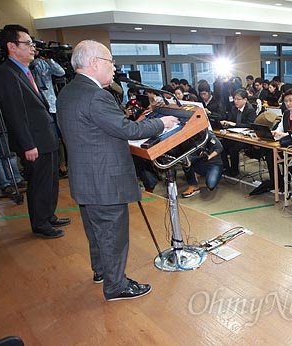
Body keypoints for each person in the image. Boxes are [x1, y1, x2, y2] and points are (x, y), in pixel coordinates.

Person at [56, 40, 179, 301]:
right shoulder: (96, 95)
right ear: (94, 63)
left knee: (96, 230)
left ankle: (102, 271)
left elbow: (102, 128)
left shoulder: (68, 92)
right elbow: (128, 130)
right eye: (110, 62)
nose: (114, 68)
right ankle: (116, 286)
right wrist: (161, 123)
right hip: (105, 180)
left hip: (86, 177)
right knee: (113, 233)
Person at [0, 24, 68, 239]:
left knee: (51, 179)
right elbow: (14, 113)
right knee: (39, 183)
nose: (33, 47)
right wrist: (27, 144)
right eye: (27, 43)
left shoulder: (25, 70)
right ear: (12, 46)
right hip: (34, 141)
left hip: (46, 137)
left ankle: (49, 215)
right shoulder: (6, 73)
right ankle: (40, 223)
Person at [31, 47, 68, 177]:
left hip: (52, 104)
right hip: (36, 107)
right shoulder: (28, 66)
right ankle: (50, 167)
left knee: (59, 137)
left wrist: (48, 59)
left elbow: (60, 72)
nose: (33, 51)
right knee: (46, 138)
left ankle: (62, 164)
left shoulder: (44, 63)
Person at [219, 89, 257, 177]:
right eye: (234, 99)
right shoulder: (234, 109)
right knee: (220, 146)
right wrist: (226, 123)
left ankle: (234, 171)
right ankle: (226, 168)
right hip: (234, 135)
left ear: (245, 100)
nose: (235, 101)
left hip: (245, 138)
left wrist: (235, 124)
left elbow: (250, 125)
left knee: (233, 149)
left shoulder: (250, 110)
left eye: (238, 99)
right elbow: (231, 120)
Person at [181, 131, 224, 198]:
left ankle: (215, 174)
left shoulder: (207, 134)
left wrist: (209, 157)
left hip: (214, 163)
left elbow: (219, 148)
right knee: (185, 161)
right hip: (198, 161)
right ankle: (193, 186)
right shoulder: (185, 135)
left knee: (211, 185)